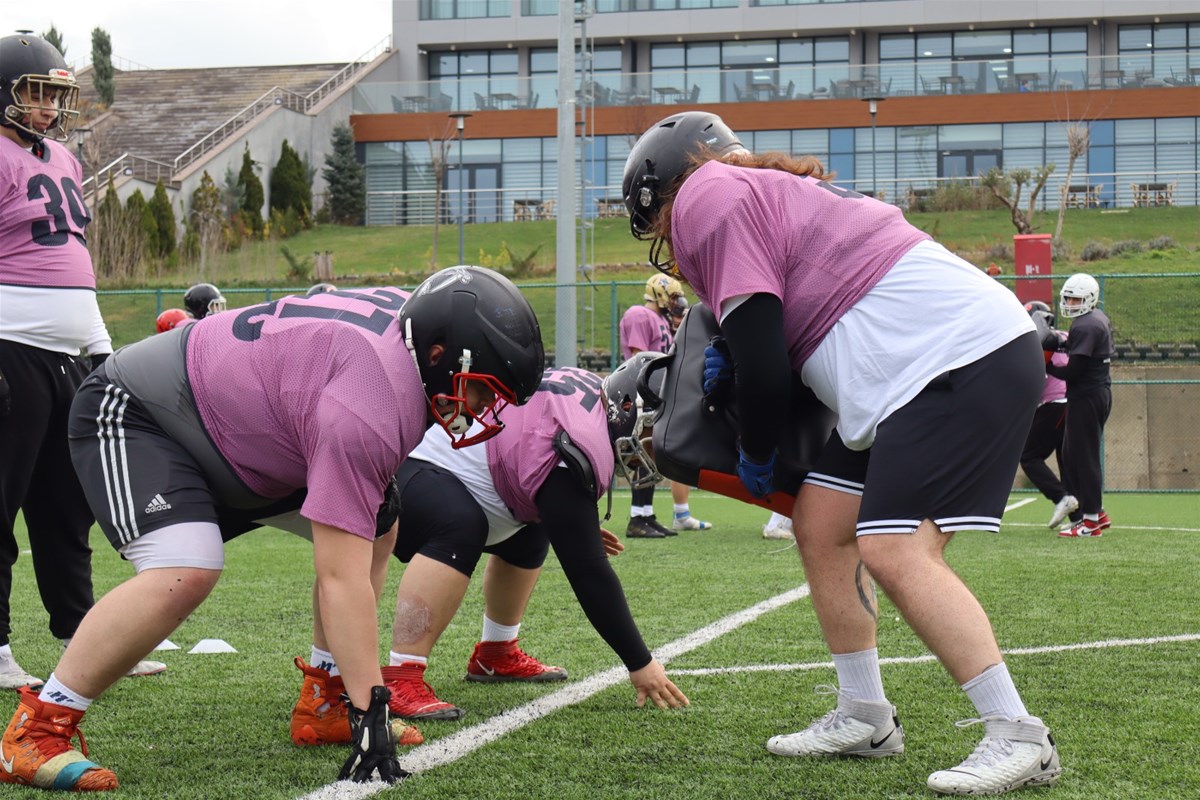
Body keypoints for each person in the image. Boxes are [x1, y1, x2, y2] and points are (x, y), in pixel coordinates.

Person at [622, 111, 1057, 796]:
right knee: (823, 522)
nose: (666, 243)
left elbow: (767, 368)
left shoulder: (707, 195)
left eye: (656, 222)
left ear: (670, 186)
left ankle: (1018, 732)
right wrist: (741, 352)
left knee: (895, 548)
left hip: (950, 357)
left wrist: (756, 445)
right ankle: (865, 713)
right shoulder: (757, 190)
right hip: (920, 366)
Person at [0, 267, 545, 791]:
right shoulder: (374, 398)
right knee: (186, 567)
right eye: (481, 389)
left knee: (378, 520)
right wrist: (372, 708)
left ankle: (325, 699)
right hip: (145, 412)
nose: (480, 408)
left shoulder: (413, 336)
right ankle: (37, 730)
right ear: (438, 355)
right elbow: (340, 578)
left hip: (244, 432)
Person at [290, 355, 688, 732]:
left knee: (531, 526)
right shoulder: (578, 441)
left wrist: (569, 521)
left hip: (458, 470)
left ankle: (496, 653)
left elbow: (537, 476)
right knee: (461, 524)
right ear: (627, 408)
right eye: (654, 432)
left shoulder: (589, 408)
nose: (658, 448)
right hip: (412, 469)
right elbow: (589, 573)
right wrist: (640, 662)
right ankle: (401, 673)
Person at [0, 34, 164, 693]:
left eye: (54, 94)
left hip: (68, 356)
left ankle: (81, 637)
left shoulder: (63, 157)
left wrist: (103, 353)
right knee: (2, 505)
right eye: (35, 93)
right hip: (10, 349)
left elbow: (75, 265)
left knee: (68, 507)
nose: (47, 107)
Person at [619, 274, 712, 538]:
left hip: (655, 391)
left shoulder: (661, 319)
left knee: (651, 455)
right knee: (643, 453)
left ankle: (647, 515)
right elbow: (639, 357)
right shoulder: (639, 314)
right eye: (671, 297)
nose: (674, 302)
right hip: (642, 390)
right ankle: (637, 518)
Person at [1046, 274, 1113, 538]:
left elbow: (1074, 371)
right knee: (1072, 454)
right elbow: (1079, 351)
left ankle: (1091, 521)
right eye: (1068, 298)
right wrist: (1060, 342)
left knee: (1083, 458)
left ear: (1089, 298)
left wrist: (1047, 366)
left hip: (1087, 396)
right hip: (1092, 394)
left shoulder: (1086, 325)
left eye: (1076, 299)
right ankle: (1097, 512)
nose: (1071, 303)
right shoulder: (1095, 318)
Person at [1021, 301, 1079, 530]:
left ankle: (1061, 497)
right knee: (1066, 461)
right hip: (1074, 401)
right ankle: (1078, 517)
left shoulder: (1040, 341)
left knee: (1029, 456)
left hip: (1055, 404)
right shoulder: (1065, 336)